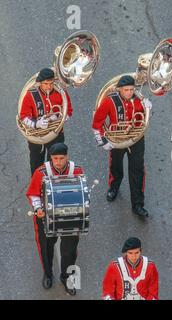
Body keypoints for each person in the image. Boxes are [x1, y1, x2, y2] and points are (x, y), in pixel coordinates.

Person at [92, 75, 153, 217]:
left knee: (137, 170)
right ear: (120, 89)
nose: (130, 92)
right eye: (126, 90)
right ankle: (114, 187)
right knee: (116, 166)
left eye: (132, 89)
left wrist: (149, 108)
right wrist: (102, 141)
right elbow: (97, 122)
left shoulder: (139, 100)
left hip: (136, 139)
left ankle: (138, 204)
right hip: (117, 139)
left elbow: (145, 118)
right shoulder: (109, 101)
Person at [26, 143, 82, 295]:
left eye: (61, 158)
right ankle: (48, 273)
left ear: (67, 157)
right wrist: (38, 208)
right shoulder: (41, 172)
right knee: (46, 246)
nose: (58, 162)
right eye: (55, 158)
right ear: (50, 158)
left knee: (69, 250)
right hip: (46, 215)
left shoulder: (76, 170)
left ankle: (66, 277)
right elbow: (33, 193)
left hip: (68, 215)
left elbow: (81, 192)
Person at [20, 68, 73, 175]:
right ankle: (36, 187)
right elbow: (23, 117)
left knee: (56, 165)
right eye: (45, 84)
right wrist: (36, 123)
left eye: (51, 83)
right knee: (36, 164)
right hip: (37, 136)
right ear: (40, 83)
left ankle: (52, 187)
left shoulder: (61, 93)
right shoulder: (31, 95)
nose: (49, 87)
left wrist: (58, 117)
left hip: (56, 134)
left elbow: (69, 111)